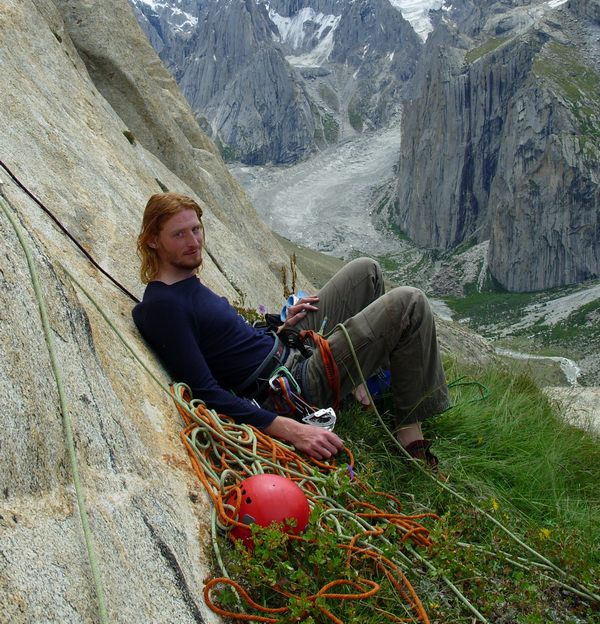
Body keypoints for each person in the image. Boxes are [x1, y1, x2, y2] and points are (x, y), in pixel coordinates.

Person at [132, 192, 449, 464]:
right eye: (179, 234)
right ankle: (410, 436)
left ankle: (363, 376)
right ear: (153, 241)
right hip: (293, 385)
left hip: (285, 345)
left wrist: (279, 324)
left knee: (367, 272)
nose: (193, 242)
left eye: (196, 229)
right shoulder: (164, 307)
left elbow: (227, 340)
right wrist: (291, 429)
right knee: (410, 303)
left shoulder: (182, 282)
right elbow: (205, 392)